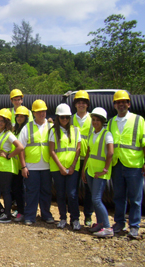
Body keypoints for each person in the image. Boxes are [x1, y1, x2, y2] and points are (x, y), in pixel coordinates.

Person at [108, 90, 145, 238]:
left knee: (135, 198)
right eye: (118, 102)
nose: (121, 105)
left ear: (129, 104)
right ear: (114, 105)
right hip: (117, 164)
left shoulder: (138, 120)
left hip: (134, 164)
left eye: (123, 102)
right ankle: (119, 222)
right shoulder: (112, 122)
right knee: (118, 196)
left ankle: (134, 226)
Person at [0, 109, 24, 223]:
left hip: (5, 167)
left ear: (7, 123)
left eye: (2, 121)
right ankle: (1, 209)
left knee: (6, 191)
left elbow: (20, 147)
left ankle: (7, 215)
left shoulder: (9, 135)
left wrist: (8, 155)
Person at [19, 99, 54, 225]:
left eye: (44, 111)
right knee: (31, 193)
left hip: (47, 166)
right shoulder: (27, 128)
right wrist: (23, 166)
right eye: (39, 112)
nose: (42, 114)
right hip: (32, 166)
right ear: (34, 113)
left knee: (46, 192)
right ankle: (29, 216)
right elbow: (21, 148)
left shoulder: (51, 127)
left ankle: (46, 214)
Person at [81, 107, 114, 238]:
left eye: (97, 120)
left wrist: (105, 169)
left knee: (96, 199)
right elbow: (88, 153)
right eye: (93, 120)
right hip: (91, 170)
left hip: (100, 172)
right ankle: (100, 223)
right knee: (95, 200)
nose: (95, 122)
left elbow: (110, 153)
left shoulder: (107, 134)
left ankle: (107, 226)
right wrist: (84, 170)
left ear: (102, 121)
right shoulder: (92, 134)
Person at [49, 104, 81, 230]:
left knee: (72, 194)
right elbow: (52, 151)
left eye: (67, 117)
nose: (65, 120)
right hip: (58, 169)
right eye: (62, 117)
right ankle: (63, 218)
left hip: (73, 168)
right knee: (61, 194)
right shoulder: (53, 131)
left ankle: (75, 219)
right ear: (58, 118)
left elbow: (78, 149)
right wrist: (61, 167)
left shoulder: (76, 130)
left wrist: (72, 165)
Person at [72, 90, 94, 226]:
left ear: (87, 104)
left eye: (83, 102)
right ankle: (75, 217)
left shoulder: (93, 119)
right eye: (79, 102)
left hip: (88, 158)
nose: (81, 104)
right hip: (73, 159)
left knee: (89, 190)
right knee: (73, 190)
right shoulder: (70, 118)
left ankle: (88, 216)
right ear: (75, 104)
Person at [11, 106, 29, 222]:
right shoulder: (14, 129)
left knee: (24, 189)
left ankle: (23, 211)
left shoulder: (27, 129)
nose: (19, 118)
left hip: (25, 164)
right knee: (17, 189)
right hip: (15, 165)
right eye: (17, 116)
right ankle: (19, 209)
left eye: (22, 116)